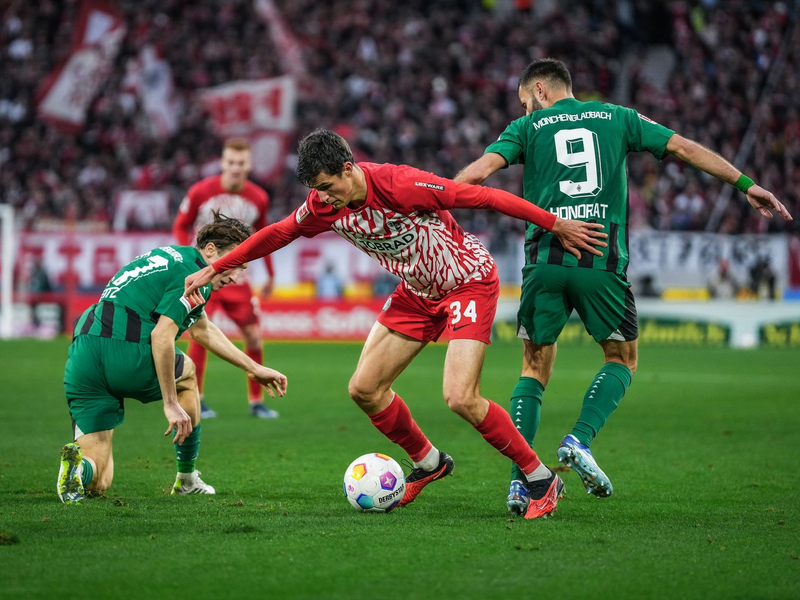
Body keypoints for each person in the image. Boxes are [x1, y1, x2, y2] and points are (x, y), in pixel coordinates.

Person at [185, 129, 607, 518]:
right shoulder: (322, 206)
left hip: (467, 282)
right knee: (364, 389)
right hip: (417, 293)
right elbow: (278, 233)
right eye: (317, 192)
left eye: (329, 187)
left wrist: (555, 224)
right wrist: (216, 267)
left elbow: (484, 198)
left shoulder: (400, 184)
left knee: (460, 397)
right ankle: (429, 463)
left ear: (348, 169)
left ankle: (540, 478)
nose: (324, 199)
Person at [454, 58, 792, 512]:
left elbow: (475, 176)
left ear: (538, 89)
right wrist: (745, 184)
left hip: (544, 259)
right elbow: (685, 149)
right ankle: (580, 439)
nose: (527, 110)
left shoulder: (526, 128)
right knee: (622, 359)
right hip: (600, 258)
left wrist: (435, 201)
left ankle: (522, 481)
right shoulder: (618, 116)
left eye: (525, 102)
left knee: (533, 369)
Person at [57, 213, 288, 505]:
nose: (235, 277)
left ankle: (77, 469)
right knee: (188, 373)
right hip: (125, 350)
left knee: (99, 479)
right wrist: (170, 403)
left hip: (84, 355)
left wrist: (253, 368)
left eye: (242, 269)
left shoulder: (172, 257)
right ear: (211, 250)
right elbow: (162, 336)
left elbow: (201, 328)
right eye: (236, 264)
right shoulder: (192, 276)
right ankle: (187, 480)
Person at [173, 138, 278, 419]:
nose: (235, 168)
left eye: (240, 163)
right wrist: (189, 261)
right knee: (200, 332)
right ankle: (197, 396)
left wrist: (270, 273)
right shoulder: (200, 191)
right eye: (230, 162)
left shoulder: (259, 198)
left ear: (248, 165)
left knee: (254, 336)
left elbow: (263, 236)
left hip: (236, 278)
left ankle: (256, 401)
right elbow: (181, 225)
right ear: (222, 163)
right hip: (204, 274)